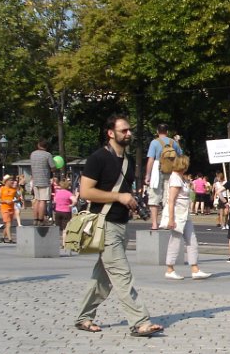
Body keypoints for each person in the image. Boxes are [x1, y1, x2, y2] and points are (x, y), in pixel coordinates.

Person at [75, 115, 163, 337]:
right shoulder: (97, 158)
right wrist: (118, 197)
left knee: (103, 277)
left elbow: (124, 191)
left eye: (129, 130)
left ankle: (84, 318)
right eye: (124, 130)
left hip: (121, 224)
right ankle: (139, 322)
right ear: (110, 133)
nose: (128, 133)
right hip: (104, 224)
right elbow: (85, 192)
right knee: (122, 274)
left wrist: (131, 201)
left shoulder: (128, 161)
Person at [163, 155, 212, 280]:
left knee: (192, 240)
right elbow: (171, 200)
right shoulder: (175, 178)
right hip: (178, 215)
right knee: (175, 241)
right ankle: (170, 269)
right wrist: (171, 219)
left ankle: (195, 268)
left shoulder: (180, 178)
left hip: (184, 214)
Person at [144, 123, 182, 231]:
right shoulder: (173, 142)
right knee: (168, 198)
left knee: (154, 197)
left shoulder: (154, 142)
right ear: (167, 132)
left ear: (157, 131)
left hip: (157, 170)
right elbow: (180, 155)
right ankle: (166, 222)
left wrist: (147, 175)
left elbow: (151, 159)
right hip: (170, 171)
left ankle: (154, 224)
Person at [29, 139, 55, 226]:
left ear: (38, 145)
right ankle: (41, 219)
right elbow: (53, 167)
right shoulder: (48, 155)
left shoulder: (33, 154)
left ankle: (35, 219)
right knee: (43, 201)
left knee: (37, 200)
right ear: (46, 146)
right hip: (44, 180)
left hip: (35, 180)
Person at [52, 178, 77, 252]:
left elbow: (55, 200)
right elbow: (75, 200)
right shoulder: (68, 193)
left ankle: (55, 243)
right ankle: (64, 244)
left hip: (58, 211)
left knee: (57, 228)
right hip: (66, 212)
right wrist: (71, 205)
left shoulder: (57, 193)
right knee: (65, 229)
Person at [0, 175, 18, 243]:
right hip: (4, 208)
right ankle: (10, 239)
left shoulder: (13, 190)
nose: (12, 182)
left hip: (11, 208)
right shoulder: (2, 189)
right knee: (8, 223)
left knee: (8, 225)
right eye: (10, 180)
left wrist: (15, 200)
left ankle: (2, 238)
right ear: (6, 181)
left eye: (12, 180)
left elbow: (18, 198)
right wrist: (5, 201)